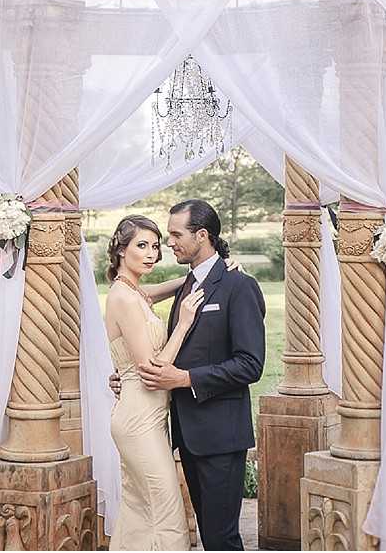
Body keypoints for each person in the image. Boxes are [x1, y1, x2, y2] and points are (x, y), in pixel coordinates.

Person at [111, 200, 266, 551]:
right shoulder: (186, 287)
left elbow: (250, 364)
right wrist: (126, 374)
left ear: (202, 235)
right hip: (184, 432)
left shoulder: (239, 287)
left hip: (221, 435)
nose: (168, 244)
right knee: (205, 534)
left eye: (175, 235)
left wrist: (185, 379)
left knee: (222, 537)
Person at [104, 214, 201, 551]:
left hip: (148, 415)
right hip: (138, 419)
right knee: (167, 512)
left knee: (139, 511)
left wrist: (205, 272)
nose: (150, 254)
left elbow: (164, 289)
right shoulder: (123, 298)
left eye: (155, 246)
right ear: (121, 250)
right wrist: (183, 324)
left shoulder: (134, 292)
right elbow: (151, 369)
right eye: (141, 246)